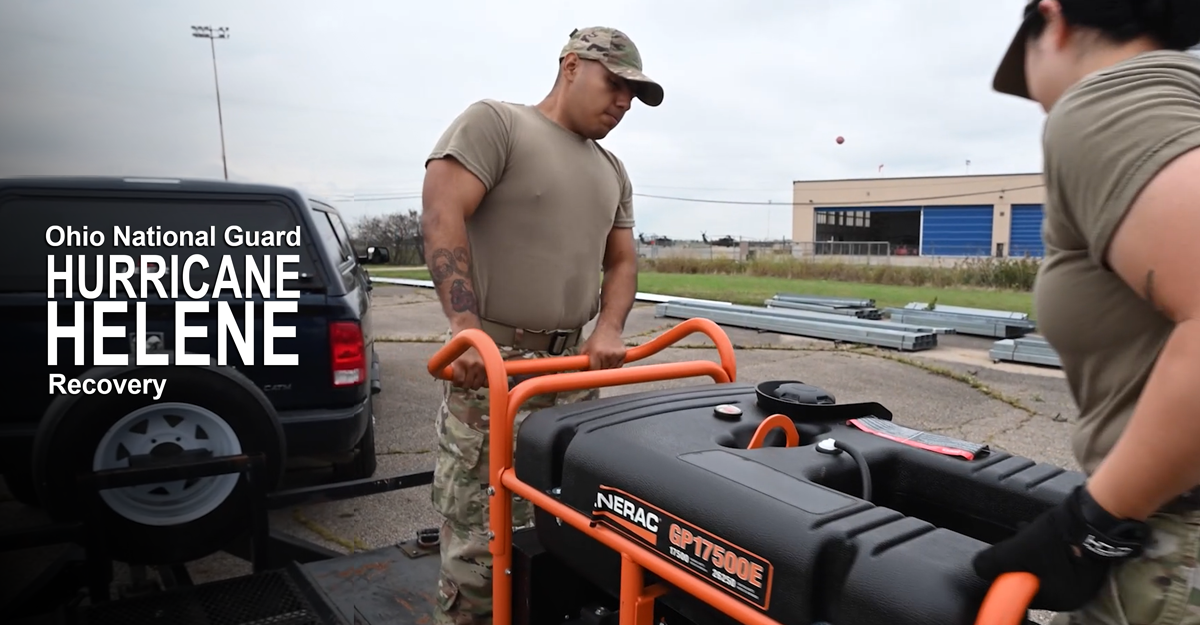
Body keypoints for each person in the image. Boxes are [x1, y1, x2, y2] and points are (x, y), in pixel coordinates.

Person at [419, 26, 662, 625]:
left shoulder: (612, 169)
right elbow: (442, 210)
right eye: (616, 85)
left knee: (565, 523)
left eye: (635, 95)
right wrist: (463, 325)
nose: (624, 103)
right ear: (572, 66)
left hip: (573, 372)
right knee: (482, 534)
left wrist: (607, 329)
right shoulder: (498, 124)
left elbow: (623, 259)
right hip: (494, 367)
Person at [971, 1, 1200, 623]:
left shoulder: (1105, 105)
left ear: (1055, 20)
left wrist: (1090, 524)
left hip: (1173, 547)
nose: (1038, 103)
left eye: (1027, 77)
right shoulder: (1179, 103)